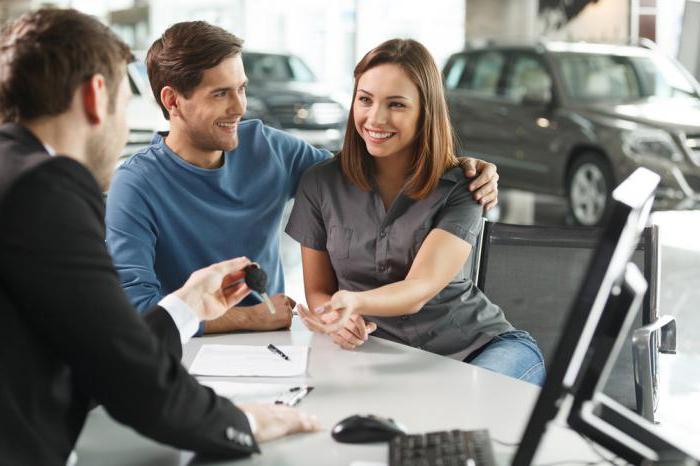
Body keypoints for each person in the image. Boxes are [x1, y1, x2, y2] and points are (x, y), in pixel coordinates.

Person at [0, 9, 318, 465]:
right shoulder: (45, 189)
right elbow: (127, 375)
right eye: (124, 107)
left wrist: (188, 305)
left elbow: (98, 339)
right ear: (96, 97)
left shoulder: (12, 171)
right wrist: (245, 422)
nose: (125, 126)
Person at [105, 21, 501, 336]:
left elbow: (365, 165)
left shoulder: (270, 148)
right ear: (172, 100)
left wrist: (456, 165)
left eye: (241, 89)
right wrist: (250, 318)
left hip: (274, 347)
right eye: (220, 94)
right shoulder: (135, 185)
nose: (240, 107)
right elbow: (137, 312)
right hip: (183, 352)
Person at [286, 39, 546, 386]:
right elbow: (318, 291)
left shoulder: (462, 186)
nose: (375, 118)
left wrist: (352, 301)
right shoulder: (320, 183)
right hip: (384, 357)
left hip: (481, 349)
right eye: (365, 99)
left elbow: (421, 287)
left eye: (396, 104)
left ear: (426, 111)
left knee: (460, 412)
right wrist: (336, 319)